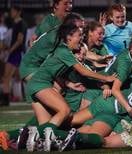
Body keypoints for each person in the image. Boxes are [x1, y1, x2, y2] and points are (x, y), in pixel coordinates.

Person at [24, 23, 115, 152]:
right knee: (65, 111)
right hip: (41, 84)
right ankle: (43, 137)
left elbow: (54, 70)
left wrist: (70, 84)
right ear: (69, 37)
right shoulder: (64, 51)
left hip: (35, 85)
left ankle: (29, 137)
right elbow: (83, 71)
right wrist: (107, 78)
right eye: (79, 35)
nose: (82, 38)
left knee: (45, 125)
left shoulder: (64, 50)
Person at [1, 5, 27, 106]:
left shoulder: (21, 23)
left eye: (13, 11)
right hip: (15, 52)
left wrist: (10, 51)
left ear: (18, 12)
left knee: (7, 76)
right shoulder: (14, 24)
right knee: (17, 77)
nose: (11, 13)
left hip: (16, 53)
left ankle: (5, 99)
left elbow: (19, 40)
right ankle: (6, 98)